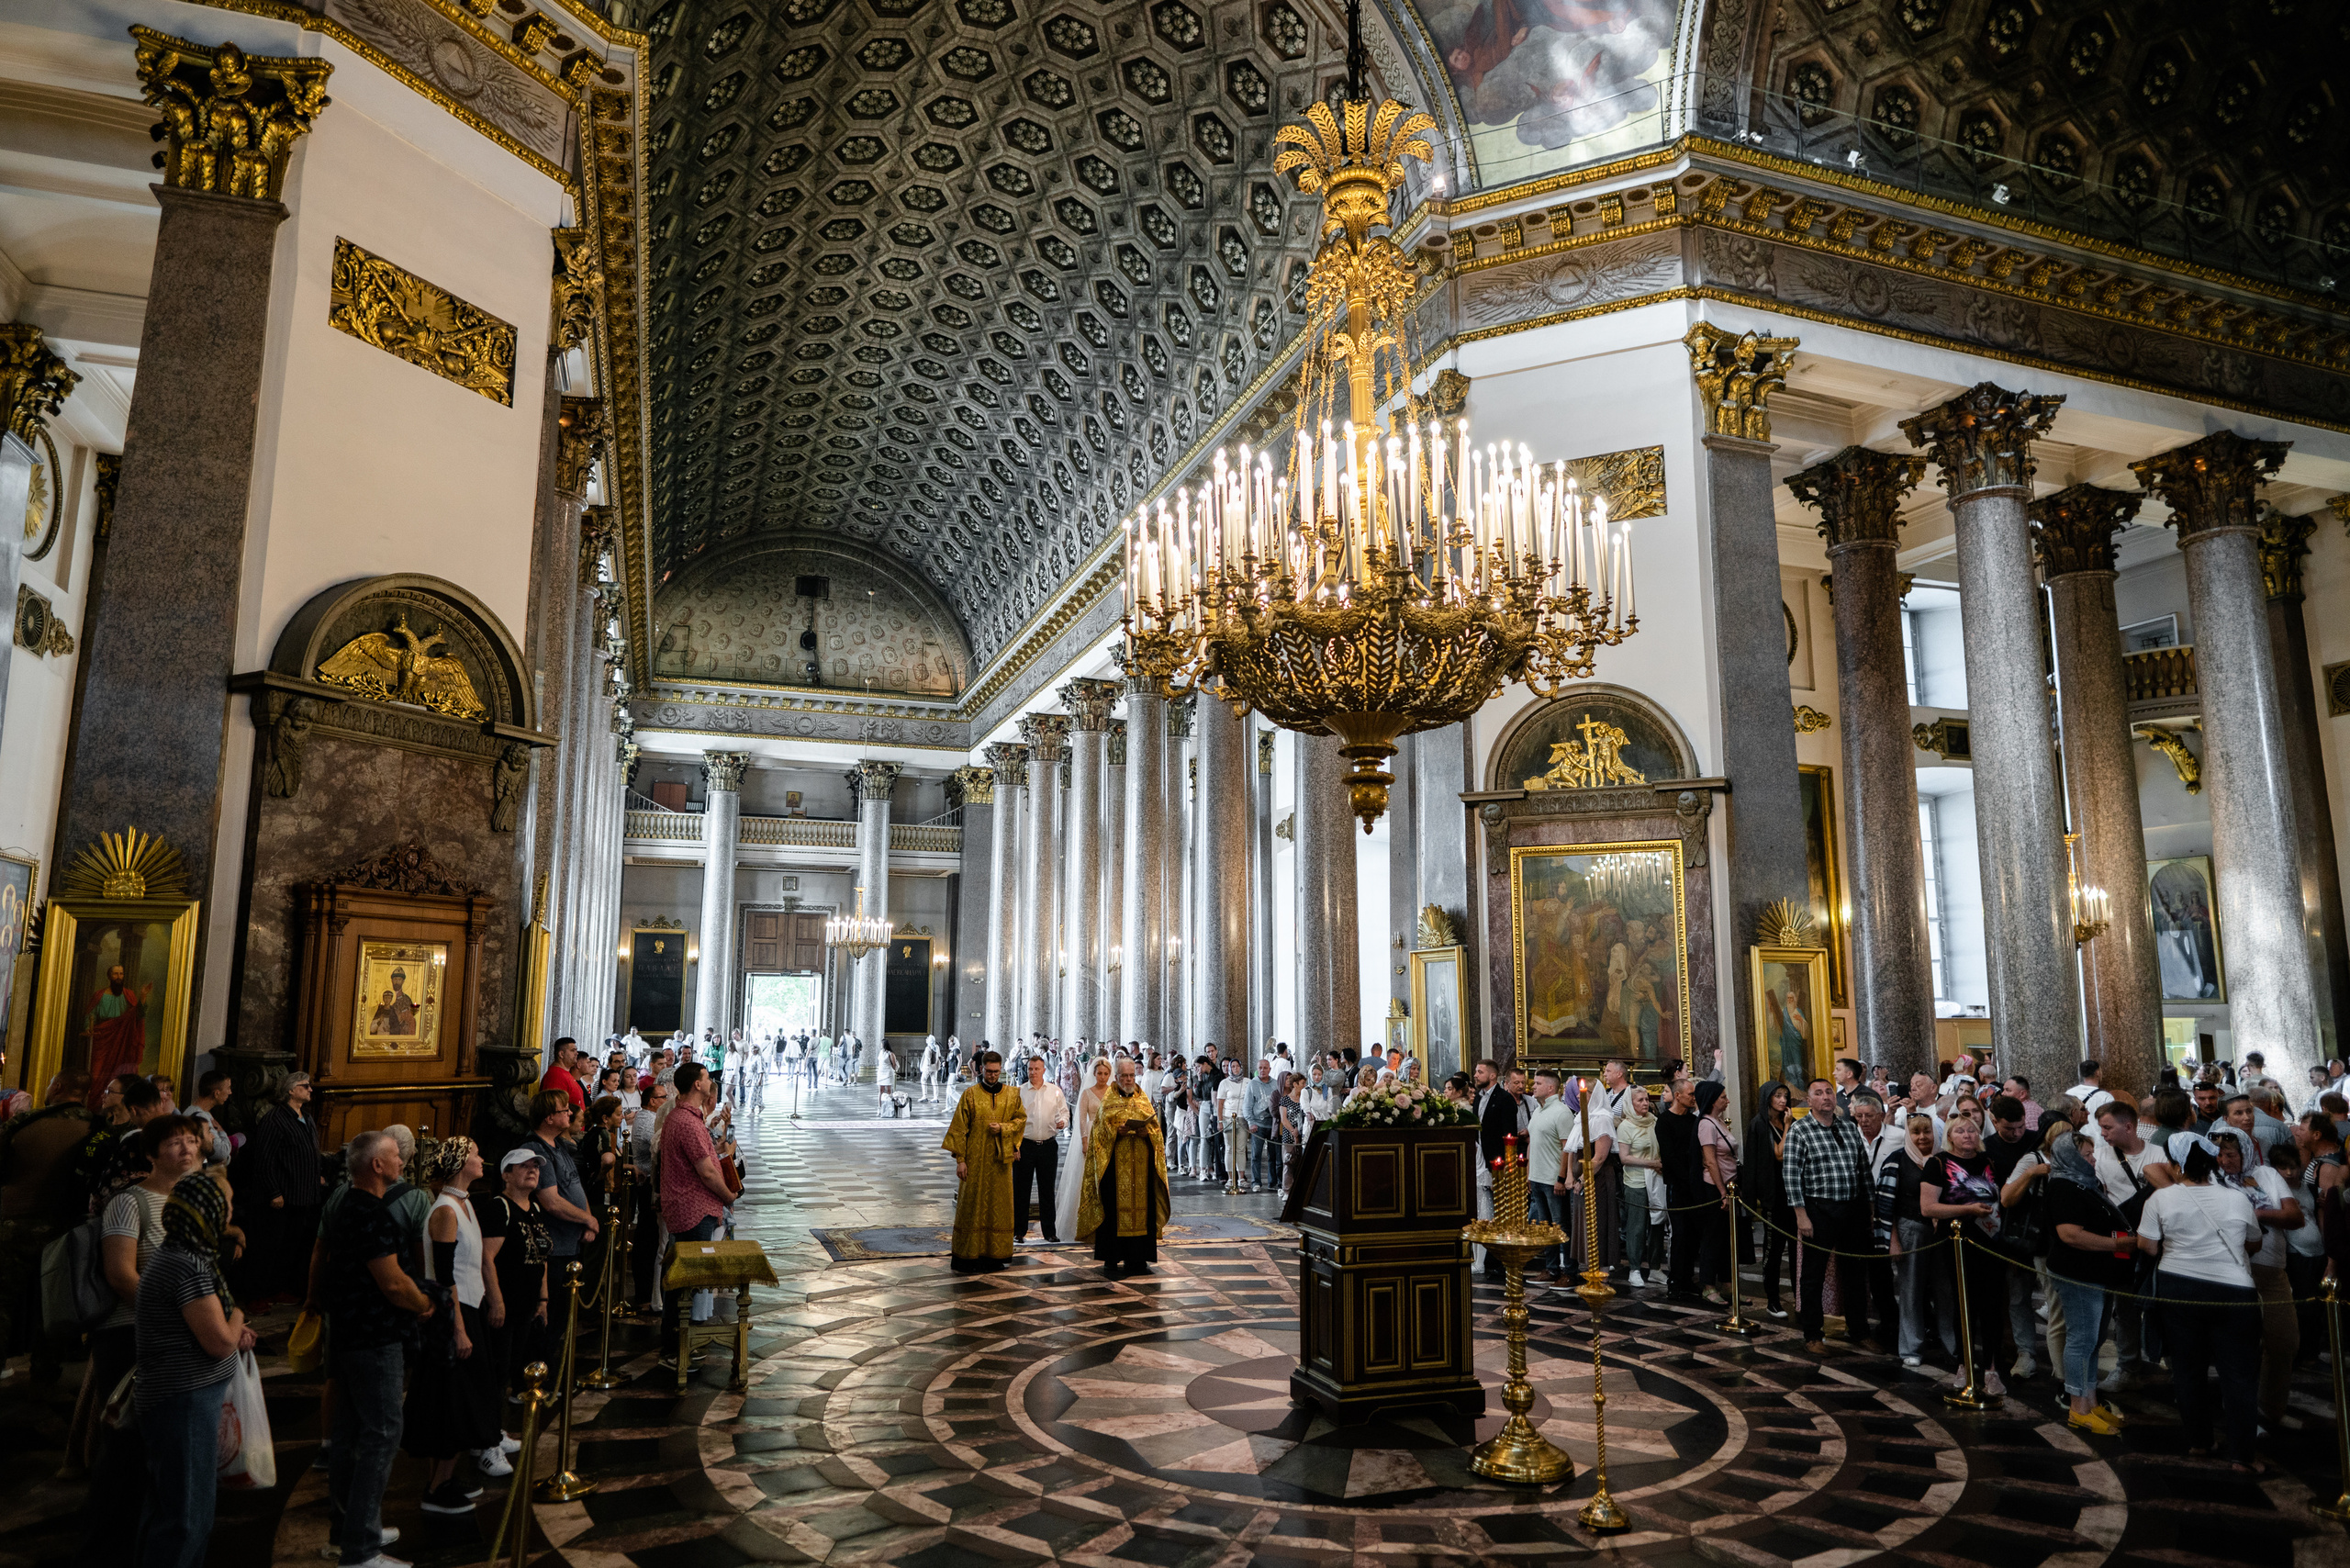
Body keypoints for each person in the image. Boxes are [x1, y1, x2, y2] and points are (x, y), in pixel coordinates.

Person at [324, 1129, 435, 1567]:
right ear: (376, 1165)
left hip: (352, 1334)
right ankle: (361, 1550)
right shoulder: (368, 1213)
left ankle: (352, 1529)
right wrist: (424, 1304)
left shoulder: (349, 1205)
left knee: (350, 1435)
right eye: (394, 1156)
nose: (402, 1162)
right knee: (382, 1435)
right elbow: (391, 1281)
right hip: (374, 1337)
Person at [132, 1170, 253, 1568]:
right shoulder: (186, 1265)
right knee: (186, 1516)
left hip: (181, 1399)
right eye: (226, 1204)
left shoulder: (184, 1255)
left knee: (175, 1507)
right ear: (209, 1212)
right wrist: (236, 1315)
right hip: (181, 1402)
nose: (231, 1210)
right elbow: (219, 1342)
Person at [2140, 1133, 2262, 1469]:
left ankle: (2199, 1442)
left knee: (2188, 1368)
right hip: (2234, 1292)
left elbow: (2147, 1246)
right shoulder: (2237, 1198)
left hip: (2178, 1288)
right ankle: (2242, 1456)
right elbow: (2254, 1243)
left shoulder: (2161, 1200)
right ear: (2212, 1163)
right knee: (2238, 1375)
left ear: (2177, 1165)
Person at [406, 1137, 502, 1515]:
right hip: (454, 1314)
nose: (482, 1159)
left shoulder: (464, 1203)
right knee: (456, 1401)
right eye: (476, 1154)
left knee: (457, 1399)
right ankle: (436, 1488)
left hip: (470, 1307)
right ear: (462, 1163)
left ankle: (443, 1479)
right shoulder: (445, 1210)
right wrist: (460, 1329)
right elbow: (444, 1276)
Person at [2042, 1123, 2134, 1435]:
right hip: (2078, 1273)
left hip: (2096, 1271)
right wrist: (2115, 1244)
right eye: (2086, 1154)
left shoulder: (2084, 1183)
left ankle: (2091, 1401)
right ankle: (2078, 1408)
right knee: (2082, 1339)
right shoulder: (2064, 1187)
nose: (2093, 1159)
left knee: (2093, 1339)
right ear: (2071, 1157)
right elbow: (2070, 1234)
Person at [1784, 1078, 1880, 1355]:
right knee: (1813, 1276)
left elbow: (1863, 1170)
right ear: (1809, 1100)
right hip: (1818, 1209)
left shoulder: (1849, 1128)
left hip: (1852, 1209)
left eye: (1829, 1092)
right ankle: (1813, 1335)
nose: (1826, 1097)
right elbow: (1791, 1177)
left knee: (1854, 1273)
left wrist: (1870, 1207)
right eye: (1818, 1093)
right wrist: (1801, 1216)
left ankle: (1859, 1330)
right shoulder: (1801, 1130)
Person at [2212, 1126, 2300, 1430]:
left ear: (2246, 1152)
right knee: (2242, 1347)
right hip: (2235, 1271)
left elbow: (2294, 1217)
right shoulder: (2211, 1179)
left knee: (2284, 1340)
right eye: (2219, 1154)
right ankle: (2242, 1411)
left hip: (2273, 1270)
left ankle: (2272, 1409)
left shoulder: (2266, 1175)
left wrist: (2255, 1214)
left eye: (2231, 1154)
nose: (2224, 1161)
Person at [1920, 1114, 2006, 1396]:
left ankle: (1992, 1369)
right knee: (1964, 1305)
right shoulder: (1938, 1164)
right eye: (1961, 1131)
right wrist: (1968, 1209)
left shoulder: (1989, 1161)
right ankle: (1964, 1365)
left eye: (1972, 1130)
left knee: (1993, 1306)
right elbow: (1928, 1208)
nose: (1968, 1135)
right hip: (1957, 1242)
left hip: (1990, 1240)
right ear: (1951, 1136)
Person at [658, 1064, 735, 1367]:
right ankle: (674, 1350)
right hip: (692, 1211)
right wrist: (727, 1195)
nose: (709, 1081)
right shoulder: (687, 1123)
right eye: (705, 1078)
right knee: (683, 1284)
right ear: (697, 1085)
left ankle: (681, 1345)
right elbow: (705, 1171)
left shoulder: (687, 1118)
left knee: (684, 1281)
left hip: (694, 1209)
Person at [475, 1147, 549, 1457]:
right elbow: (486, 1258)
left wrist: (543, 1297)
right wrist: (496, 1302)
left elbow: (541, 1255)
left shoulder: (534, 1208)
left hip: (526, 1304)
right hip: (504, 1304)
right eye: (523, 1167)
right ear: (506, 1175)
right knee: (495, 1371)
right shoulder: (498, 1208)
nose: (532, 1170)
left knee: (508, 1370)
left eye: (535, 1166)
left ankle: (495, 1429)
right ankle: (484, 1441)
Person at [237, 1070, 323, 1305]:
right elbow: (265, 1159)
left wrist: (317, 1176)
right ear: (290, 1090)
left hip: (302, 1195)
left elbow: (307, 1153)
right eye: (305, 1086)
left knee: (289, 1247)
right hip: (280, 1197)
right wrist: (274, 1192)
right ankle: (256, 1296)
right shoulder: (275, 1119)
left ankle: (276, 1289)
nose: (310, 1089)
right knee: (267, 1248)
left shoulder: (307, 1117)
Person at [1079, 1058, 1169, 1279]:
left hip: (1141, 1169)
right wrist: (1113, 1133)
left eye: (1131, 1076)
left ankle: (1137, 1258)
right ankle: (1112, 1257)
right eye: (1124, 1076)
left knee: (1142, 1212)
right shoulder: (1108, 1100)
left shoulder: (1142, 1099)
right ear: (1116, 1077)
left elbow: (1157, 1132)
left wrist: (1146, 1133)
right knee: (1113, 1210)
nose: (1128, 1080)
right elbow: (1098, 1133)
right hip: (1114, 1170)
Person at [518, 1091, 596, 1327]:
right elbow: (551, 1201)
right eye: (564, 1110)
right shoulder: (536, 1149)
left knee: (562, 1315)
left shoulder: (559, 1144)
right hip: (552, 1246)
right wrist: (588, 1220)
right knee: (549, 1317)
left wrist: (587, 1218)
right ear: (548, 1118)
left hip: (568, 1241)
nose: (570, 1113)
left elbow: (574, 1186)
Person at [1983, 1094, 2046, 1378]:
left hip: (2042, 1226)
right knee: (2018, 1295)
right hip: (2009, 1229)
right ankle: (2025, 1351)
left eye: (2021, 1127)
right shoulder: (1988, 1148)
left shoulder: (2035, 1141)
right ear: (1994, 1122)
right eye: (2010, 1129)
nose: (2018, 1134)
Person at [943, 1051, 1022, 1273]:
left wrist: (1005, 1131)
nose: (993, 1076)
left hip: (1000, 1163)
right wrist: (961, 1160)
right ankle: (967, 1256)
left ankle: (994, 1255)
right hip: (975, 1162)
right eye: (989, 1072)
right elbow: (959, 1129)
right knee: (971, 1206)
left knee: (998, 1207)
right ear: (981, 1070)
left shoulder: (1012, 1095)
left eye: (997, 1072)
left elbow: (1020, 1120)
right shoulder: (970, 1095)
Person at [1746, 1082, 1795, 1319]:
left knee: (1797, 1250)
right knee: (1773, 1250)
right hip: (1773, 1196)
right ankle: (1773, 1300)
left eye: (1785, 1096)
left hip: (1792, 1194)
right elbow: (1779, 1153)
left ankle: (1799, 1297)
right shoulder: (1760, 1124)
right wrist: (1786, 1127)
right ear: (1768, 1098)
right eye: (1778, 1096)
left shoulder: (1787, 1122)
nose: (1783, 1100)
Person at [1012, 1055, 1069, 1244]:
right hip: (1025, 1146)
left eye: (1037, 1069)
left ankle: (1049, 1232)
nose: (1033, 1072)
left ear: (1044, 1070)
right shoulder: (1019, 1092)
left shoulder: (1055, 1091)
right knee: (1021, 1189)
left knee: (1047, 1189)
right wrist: (1014, 1146)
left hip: (1048, 1145)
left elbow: (1065, 1112)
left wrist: (1063, 1122)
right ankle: (1019, 1231)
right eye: (1030, 1069)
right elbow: (1012, 1120)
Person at [1657, 1075, 1704, 1301]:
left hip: (1694, 1185)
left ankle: (1687, 1278)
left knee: (1693, 1235)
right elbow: (1669, 1156)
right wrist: (1687, 1179)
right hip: (1677, 1185)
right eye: (1690, 1094)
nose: (1694, 1098)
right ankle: (1674, 1280)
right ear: (1677, 1096)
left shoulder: (1693, 1120)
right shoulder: (1664, 1121)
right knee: (1680, 1234)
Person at [1058, 1057, 1115, 1236]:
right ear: (1094, 1074)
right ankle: (1083, 1219)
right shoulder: (1087, 1093)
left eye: (1106, 1074)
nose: (1103, 1077)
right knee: (1087, 1176)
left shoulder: (1113, 1092)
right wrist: (1084, 1140)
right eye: (1100, 1073)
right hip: (1091, 1134)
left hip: (1108, 1136)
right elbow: (1081, 1119)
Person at [1524, 1072, 1572, 1282]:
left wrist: (1561, 1178)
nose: (1533, 1086)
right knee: (1545, 1227)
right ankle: (1551, 1268)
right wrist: (1528, 1173)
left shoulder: (1562, 1113)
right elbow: (1531, 1143)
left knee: (1561, 1227)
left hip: (1553, 1179)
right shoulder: (1538, 1111)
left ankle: (1569, 1271)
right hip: (1537, 1177)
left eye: (1537, 1083)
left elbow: (1567, 1149)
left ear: (1551, 1088)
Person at [1615, 1085, 1662, 1288]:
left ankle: (1655, 1268)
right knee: (1637, 1227)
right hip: (1636, 1182)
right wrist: (1652, 1163)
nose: (1645, 1103)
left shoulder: (1654, 1121)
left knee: (1657, 1225)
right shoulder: (1625, 1126)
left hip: (1657, 1179)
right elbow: (1624, 1158)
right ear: (1630, 1104)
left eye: (1646, 1099)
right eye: (1640, 1100)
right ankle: (1635, 1268)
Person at [184, 1070, 235, 1167]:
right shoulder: (200, 1117)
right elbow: (221, 1153)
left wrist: (226, 1159)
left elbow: (222, 1158)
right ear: (216, 1093)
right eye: (228, 1088)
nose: (230, 1092)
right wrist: (221, 1131)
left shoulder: (204, 1113)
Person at [540, 1037, 587, 1111]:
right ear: (561, 1054)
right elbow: (555, 1110)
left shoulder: (565, 1074)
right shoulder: (556, 1076)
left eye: (576, 1050)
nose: (577, 1053)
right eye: (572, 1050)